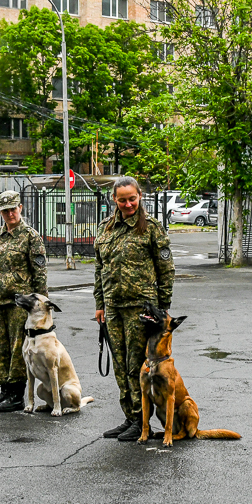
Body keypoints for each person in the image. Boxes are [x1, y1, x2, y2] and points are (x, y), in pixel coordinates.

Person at [94, 177, 175, 441]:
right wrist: (100, 304)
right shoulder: (106, 228)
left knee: (135, 367)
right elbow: (100, 268)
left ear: (140, 196)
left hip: (142, 309)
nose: (128, 204)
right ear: (114, 200)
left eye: (132, 198)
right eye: (122, 199)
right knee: (119, 365)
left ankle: (142, 422)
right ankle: (130, 417)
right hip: (114, 307)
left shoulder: (151, 228)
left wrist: (162, 310)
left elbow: (166, 270)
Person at [0, 190, 50, 412]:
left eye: (13, 209)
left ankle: (16, 393)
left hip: (19, 302)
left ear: (20, 208)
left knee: (17, 348)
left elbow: (39, 273)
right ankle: (4, 388)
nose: (9, 214)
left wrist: (42, 305)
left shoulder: (31, 236)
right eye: (5, 210)